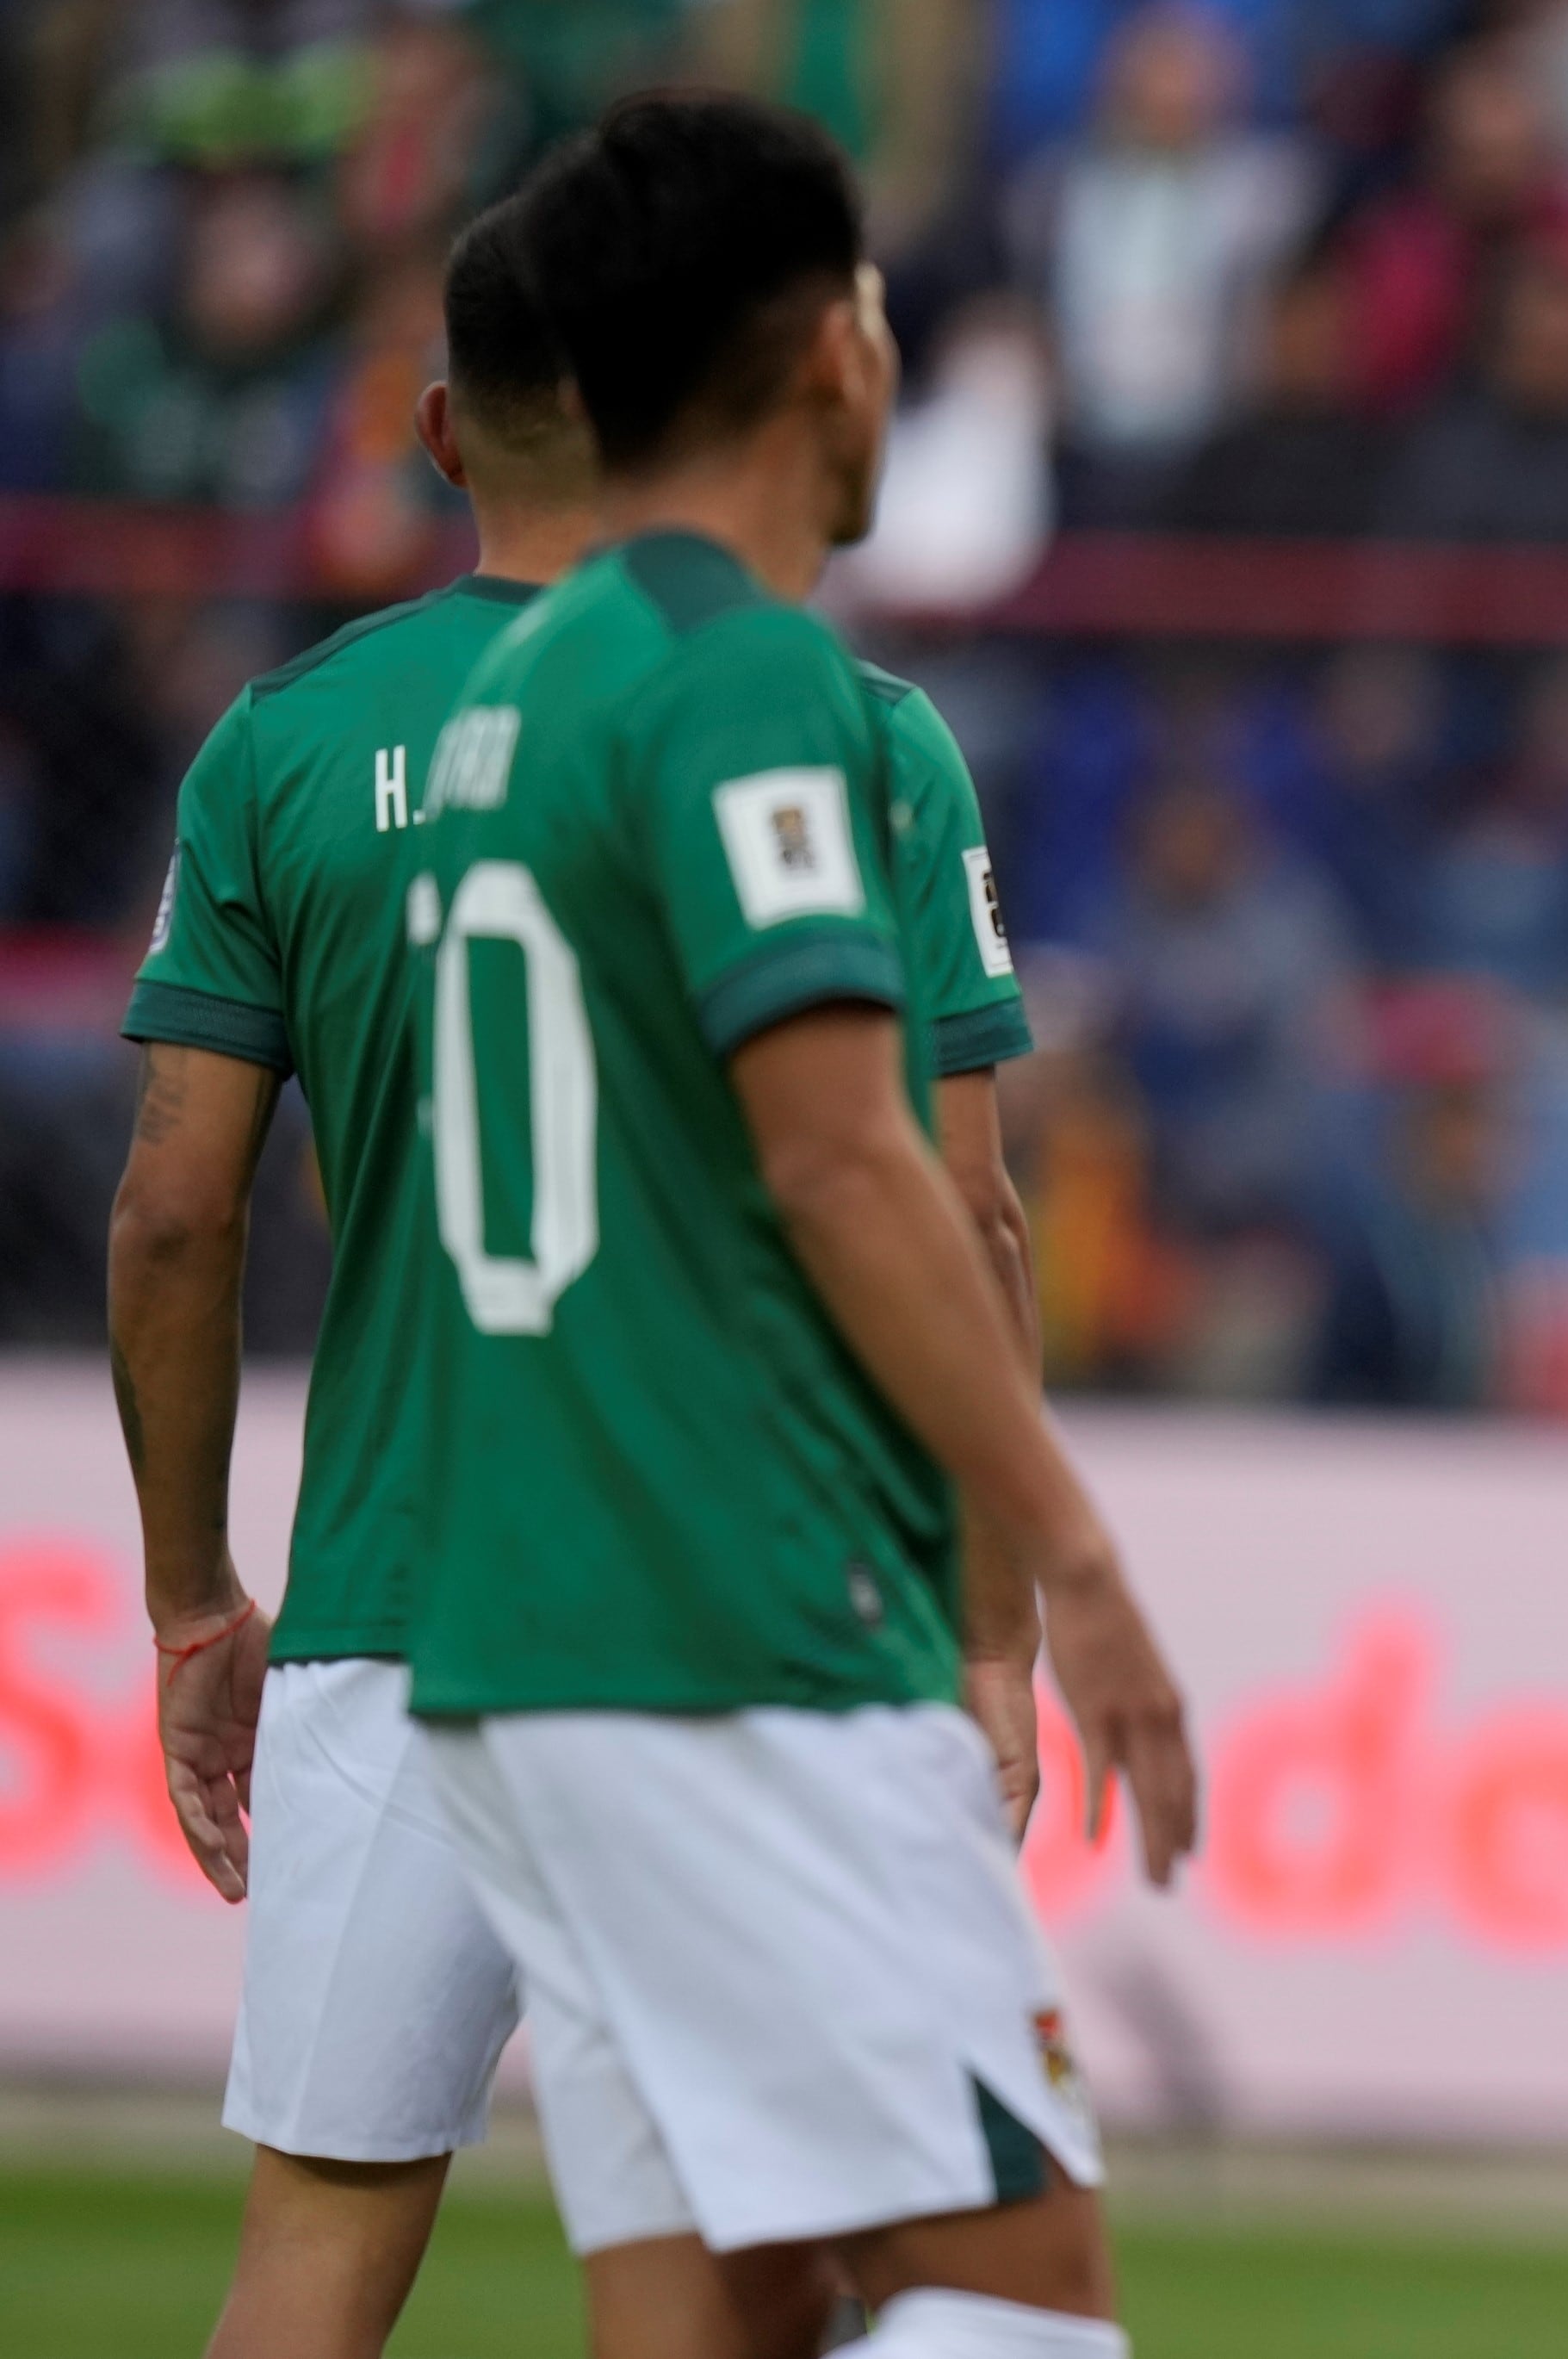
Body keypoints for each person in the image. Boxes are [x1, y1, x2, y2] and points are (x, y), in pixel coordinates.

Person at [108, 189, 1059, 2358]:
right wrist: (994, 1634)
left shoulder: (282, 745)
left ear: (444, 432)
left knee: (315, 2257)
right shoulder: (847, 730)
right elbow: (970, 1219)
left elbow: (174, 1210)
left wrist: (192, 1589)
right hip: (747, 1621)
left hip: (397, 1604)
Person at [396, 94, 1192, 2359]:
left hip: (514, 1625)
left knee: (713, 2314)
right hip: (730, 1625)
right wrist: (1077, 1569)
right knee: (1023, 2303)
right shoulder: (752, 680)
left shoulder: (510, 693)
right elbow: (867, 1163)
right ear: (828, 357)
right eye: (865, 311)